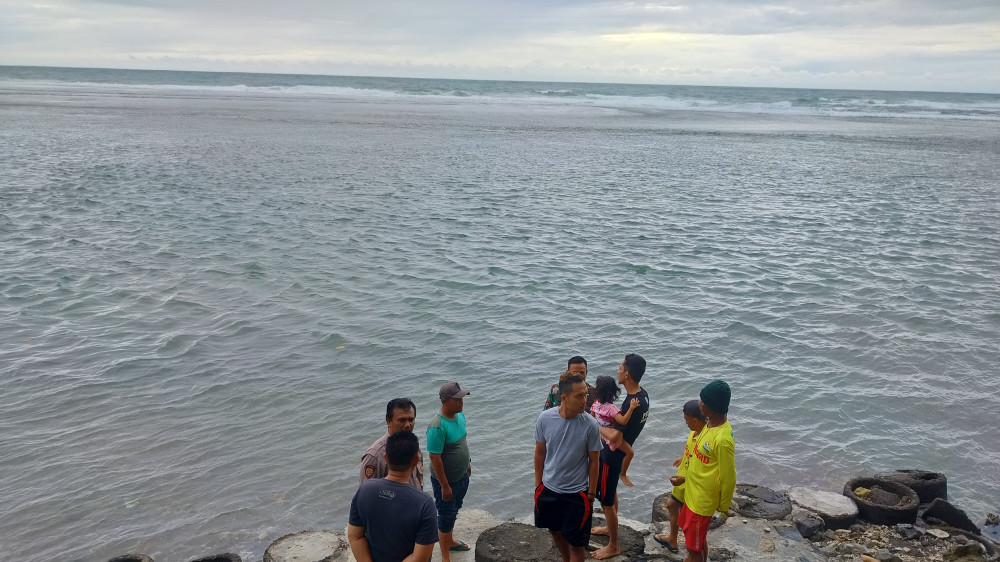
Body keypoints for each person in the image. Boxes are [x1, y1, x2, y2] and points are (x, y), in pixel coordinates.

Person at [534, 374, 603, 562]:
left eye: (586, 395)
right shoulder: (545, 419)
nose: (585, 401)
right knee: (554, 531)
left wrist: (591, 494)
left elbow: (594, 461)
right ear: (564, 398)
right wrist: (538, 485)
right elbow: (540, 452)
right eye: (579, 396)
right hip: (548, 489)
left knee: (577, 545)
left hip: (577, 494)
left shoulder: (590, 425)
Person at [348, 431, 438, 562]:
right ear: (416, 460)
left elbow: (355, 537)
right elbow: (420, 558)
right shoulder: (424, 504)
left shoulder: (364, 491)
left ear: (385, 458)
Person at [592, 353, 649, 560]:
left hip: (611, 457)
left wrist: (594, 425)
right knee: (610, 493)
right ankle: (609, 527)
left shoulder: (629, 405)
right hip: (617, 454)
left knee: (606, 501)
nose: (618, 370)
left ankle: (614, 545)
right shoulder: (643, 397)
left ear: (628, 374)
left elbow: (615, 435)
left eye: (620, 367)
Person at [678, 380, 736, 562]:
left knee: (693, 548)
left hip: (702, 502)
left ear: (714, 407)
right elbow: (697, 456)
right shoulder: (708, 424)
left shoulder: (723, 439)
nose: (699, 403)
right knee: (698, 543)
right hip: (692, 494)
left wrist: (724, 506)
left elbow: (729, 477)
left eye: (704, 401)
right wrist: (683, 478)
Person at [653, 399, 707, 553]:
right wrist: (683, 458)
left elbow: (705, 468)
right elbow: (693, 453)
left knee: (694, 525)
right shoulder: (693, 432)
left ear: (695, 420)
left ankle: (691, 551)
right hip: (684, 475)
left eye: (687, 420)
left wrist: (686, 479)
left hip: (691, 481)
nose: (686, 423)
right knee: (671, 505)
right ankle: (673, 540)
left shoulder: (706, 440)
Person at [427, 381, 472, 562]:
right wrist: (444, 485)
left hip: (461, 476)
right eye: (458, 400)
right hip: (446, 482)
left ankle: (450, 541)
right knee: (445, 516)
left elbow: (462, 443)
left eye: (462, 399)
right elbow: (435, 458)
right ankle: (445, 556)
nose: (462, 403)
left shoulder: (460, 417)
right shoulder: (437, 426)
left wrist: (467, 463)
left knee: (454, 510)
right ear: (445, 401)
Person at [359, 397, 423, 489]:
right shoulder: (375, 455)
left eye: (411, 420)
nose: (408, 425)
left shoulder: (414, 447)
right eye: (402, 420)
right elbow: (366, 495)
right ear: (388, 421)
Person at [589, 375, 640, 487]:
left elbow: (592, 417)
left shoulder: (595, 404)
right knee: (630, 452)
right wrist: (631, 408)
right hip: (612, 438)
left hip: (602, 436)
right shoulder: (612, 409)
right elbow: (623, 421)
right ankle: (623, 473)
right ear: (613, 392)